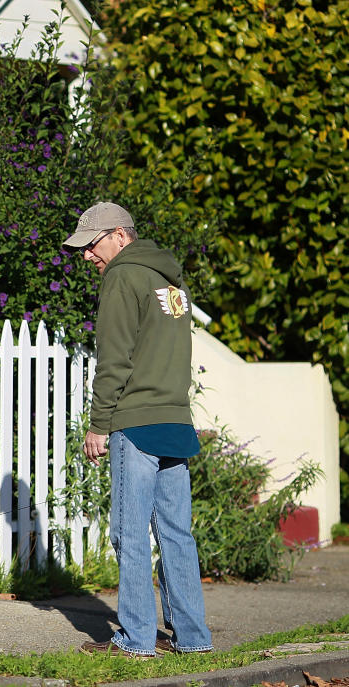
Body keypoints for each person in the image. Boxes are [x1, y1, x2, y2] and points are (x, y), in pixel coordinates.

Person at [62, 202, 213, 659]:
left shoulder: (123, 276)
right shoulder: (172, 281)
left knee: (128, 533)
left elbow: (114, 360)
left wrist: (98, 425)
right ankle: (193, 638)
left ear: (120, 235)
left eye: (91, 244)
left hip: (136, 421)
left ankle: (134, 640)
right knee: (175, 534)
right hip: (174, 420)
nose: (87, 256)